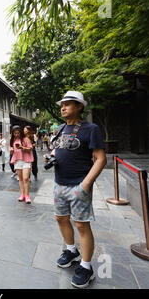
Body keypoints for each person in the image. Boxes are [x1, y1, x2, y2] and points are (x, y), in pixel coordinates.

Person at [46, 90, 106, 288]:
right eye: (62, 104)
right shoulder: (62, 128)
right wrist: (52, 154)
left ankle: (86, 267)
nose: (63, 107)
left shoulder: (91, 128)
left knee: (81, 225)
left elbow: (100, 158)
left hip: (79, 184)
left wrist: (86, 184)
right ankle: (71, 250)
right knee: (61, 219)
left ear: (79, 106)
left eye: (68, 104)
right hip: (59, 183)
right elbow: (60, 148)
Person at [10, 126, 33, 204]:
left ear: (21, 132)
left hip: (26, 160)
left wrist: (22, 147)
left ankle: (27, 196)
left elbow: (30, 148)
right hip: (17, 161)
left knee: (26, 178)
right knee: (20, 179)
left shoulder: (26, 139)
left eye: (18, 133)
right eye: (15, 133)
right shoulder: (13, 140)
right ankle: (22, 194)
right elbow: (13, 152)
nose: (16, 134)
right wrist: (11, 150)